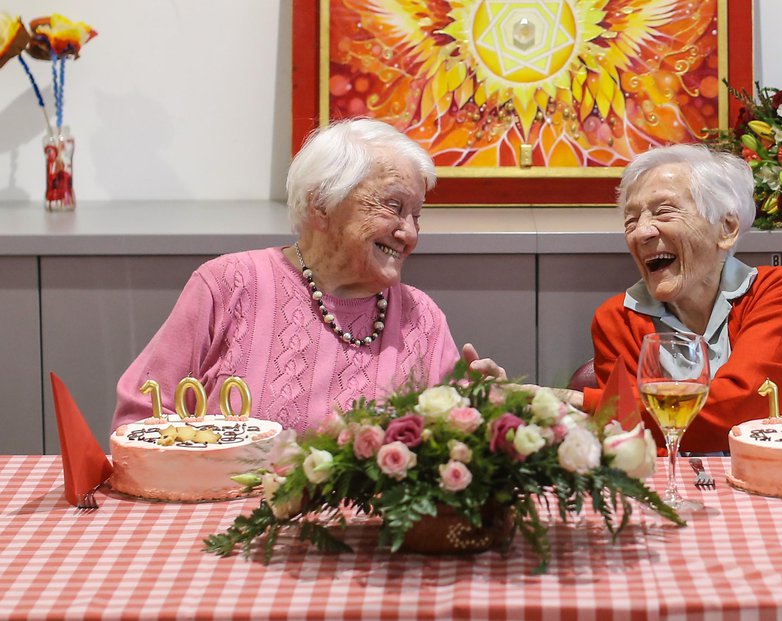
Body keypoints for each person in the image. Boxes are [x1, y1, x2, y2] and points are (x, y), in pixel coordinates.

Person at [113, 118, 502, 434]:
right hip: (226, 519)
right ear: (322, 206)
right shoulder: (229, 284)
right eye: (394, 207)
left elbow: (453, 450)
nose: (410, 234)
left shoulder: (422, 319)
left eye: (416, 215)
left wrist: (485, 409)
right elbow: (140, 419)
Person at [564, 144, 782, 453]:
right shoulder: (617, 319)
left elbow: (744, 409)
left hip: (772, 485)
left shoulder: (776, 291)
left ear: (727, 228)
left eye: (664, 212)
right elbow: (632, 439)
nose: (641, 233)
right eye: (631, 220)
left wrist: (579, 401)